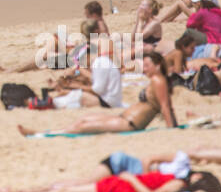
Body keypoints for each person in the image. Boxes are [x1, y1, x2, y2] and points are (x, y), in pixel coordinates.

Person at [20, 51, 177, 137]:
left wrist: (172, 131)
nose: (144, 69)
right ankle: (44, 132)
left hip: (129, 124)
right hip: (123, 117)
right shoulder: (156, 80)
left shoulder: (158, 81)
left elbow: (165, 107)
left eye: (147, 66)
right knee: (83, 120)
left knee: (82, 127)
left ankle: (40, 134)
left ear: (157, 65)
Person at [0, 169, 221, 192]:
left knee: (66, 190)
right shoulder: (178, 179)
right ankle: (23, 191)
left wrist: (131, 179)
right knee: (62, 183)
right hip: (121, 183)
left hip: (122, 188)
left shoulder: (177, 185)